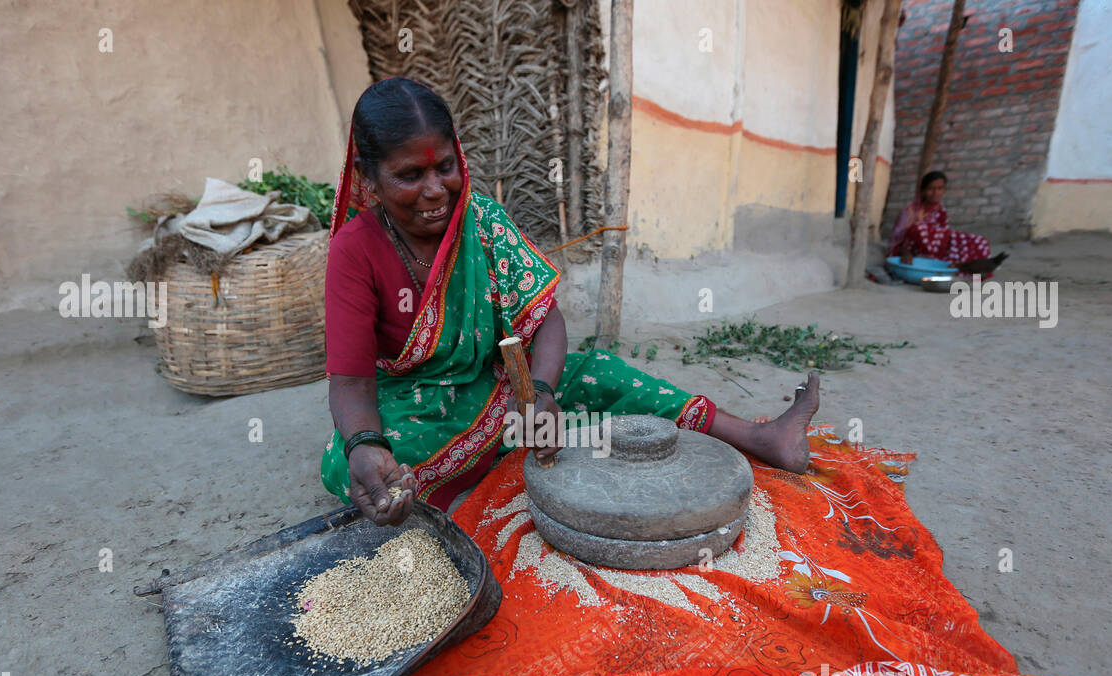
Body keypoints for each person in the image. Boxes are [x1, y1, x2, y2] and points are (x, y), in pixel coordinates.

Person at [322, 78, 821, 526]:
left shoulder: (482, 220)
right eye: (410, 175)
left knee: (599, 371)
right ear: (369, 178)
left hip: (495, 385)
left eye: (446, 167)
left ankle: (760, 438)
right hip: (413, 405)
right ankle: (499, 447)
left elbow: (545, 321)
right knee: (352, 465)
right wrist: (365, 444)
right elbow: (349, 380)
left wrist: (540, 393)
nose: (436, 191)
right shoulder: (354, 250)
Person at [888, 170, 994, 270]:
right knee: (919, 229)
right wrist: (905, 252)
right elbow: (897, 238)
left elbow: (945, 237)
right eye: (931, 189)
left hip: (936, 252)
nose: (935, 193)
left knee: (979, 241)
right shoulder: (909, 210)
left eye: (940, 188)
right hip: (910, 251)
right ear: (923, 191)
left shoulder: (941, 212)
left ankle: (975, 270)